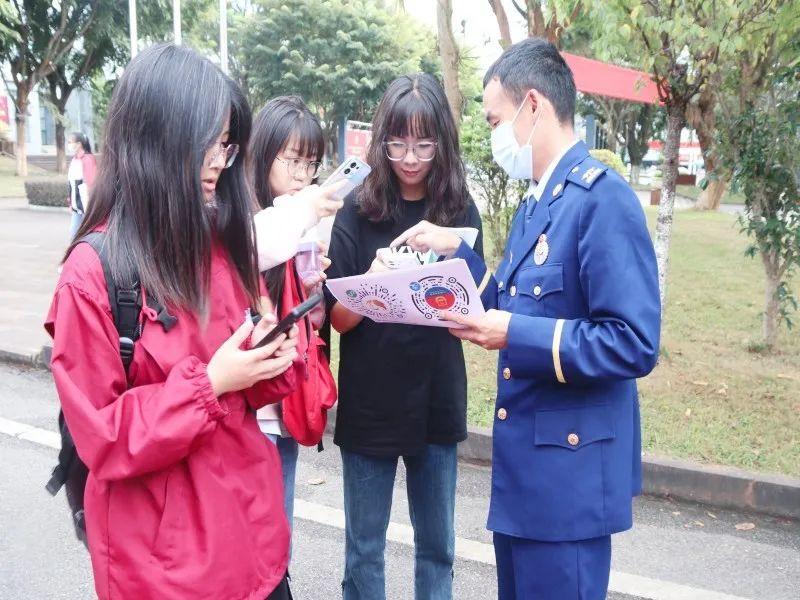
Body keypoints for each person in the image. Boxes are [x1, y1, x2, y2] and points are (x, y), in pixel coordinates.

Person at [392, 38, 662, 600]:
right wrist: (457, 253)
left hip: (569, 487)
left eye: (495, 119)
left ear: (532, 106)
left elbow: (633, 342)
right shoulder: (538, 202)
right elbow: (514, 304)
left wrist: (513, 333)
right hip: (526, 481)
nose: (494, 135)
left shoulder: (600, 200)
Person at [45, 44, 301, 600]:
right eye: (210, 141)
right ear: (158, 138)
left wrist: (273, 353)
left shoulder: (220, 242)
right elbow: (102, 438)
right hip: (165, 570)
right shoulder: (93, 275)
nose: (219, 159)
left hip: (253, 540)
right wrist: (210, 383)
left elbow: (249, 394)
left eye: (228, 144)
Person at [326, 73, 484, 600]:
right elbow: (336, 320)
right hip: (370, 401)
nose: (411, 157)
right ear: (381, 140)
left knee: (437, 547)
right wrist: (370, 285)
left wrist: (455, 253)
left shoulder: (457, 209)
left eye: (424, 143)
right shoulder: (357, 208)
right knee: (364, 547)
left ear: (442, 140)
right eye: (398, 143)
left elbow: (480, 304)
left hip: (437, 398)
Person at [249, 95, 338, 536]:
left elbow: (316, 321)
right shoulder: (246, 218)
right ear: (263, 153)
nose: (303, 176)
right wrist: (304, 212)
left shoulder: (297, 224)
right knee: (252, 537)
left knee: (279, 536)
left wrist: (311, 288)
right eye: (293, 161)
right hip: (249, 411)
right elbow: (255, 245)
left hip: (286, 402)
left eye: (311, 164)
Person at [66, 132, 97, 240]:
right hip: (76, 207)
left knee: (86, 234)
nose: (68, 145)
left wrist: (90, 205)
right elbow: (70, 184)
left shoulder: (87, 159)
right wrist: (70, 203)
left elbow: (91, 183)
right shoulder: (74, 160)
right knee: (74, 234)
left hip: (86, 206)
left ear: (79, 144)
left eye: (70, 142)